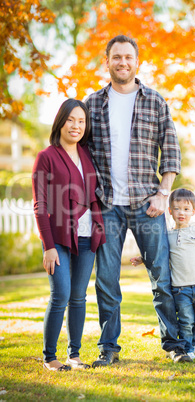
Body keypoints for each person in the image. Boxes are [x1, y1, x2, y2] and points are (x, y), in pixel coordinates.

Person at [84, 35, 191, 367]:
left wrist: (163, 193)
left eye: (128, 57)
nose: (122, 62)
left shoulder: (155, 101)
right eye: (116, 57)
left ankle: (174, 345)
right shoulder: (91, 104)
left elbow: (170, 151)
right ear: (107, 62)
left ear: (137, 62)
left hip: (148, 203)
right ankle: (108, 349)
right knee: (106, 278)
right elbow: (82, 154)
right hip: (106, 204)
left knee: (161, 275)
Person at [32, 99, 105, 371]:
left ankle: (74, 355)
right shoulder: (47, 156)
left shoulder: (87, 155)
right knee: (60, 294)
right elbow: (40, 204)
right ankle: (50, 357)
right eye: (71, 120)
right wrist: (48, 246)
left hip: (87, 237)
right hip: (58, 238)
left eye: (81, 121)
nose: (76, 126)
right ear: (61, 121)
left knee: (78, 296)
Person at [131, 188, 195, 360]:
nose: (181, 213)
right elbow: (158, 254)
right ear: (169, 211)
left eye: (186, 209)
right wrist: (142, 259)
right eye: (176, 208)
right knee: (186, 321)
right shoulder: (167, 235)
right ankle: (187, 348)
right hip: (180, 290)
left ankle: (194, 342)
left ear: (193, 211)